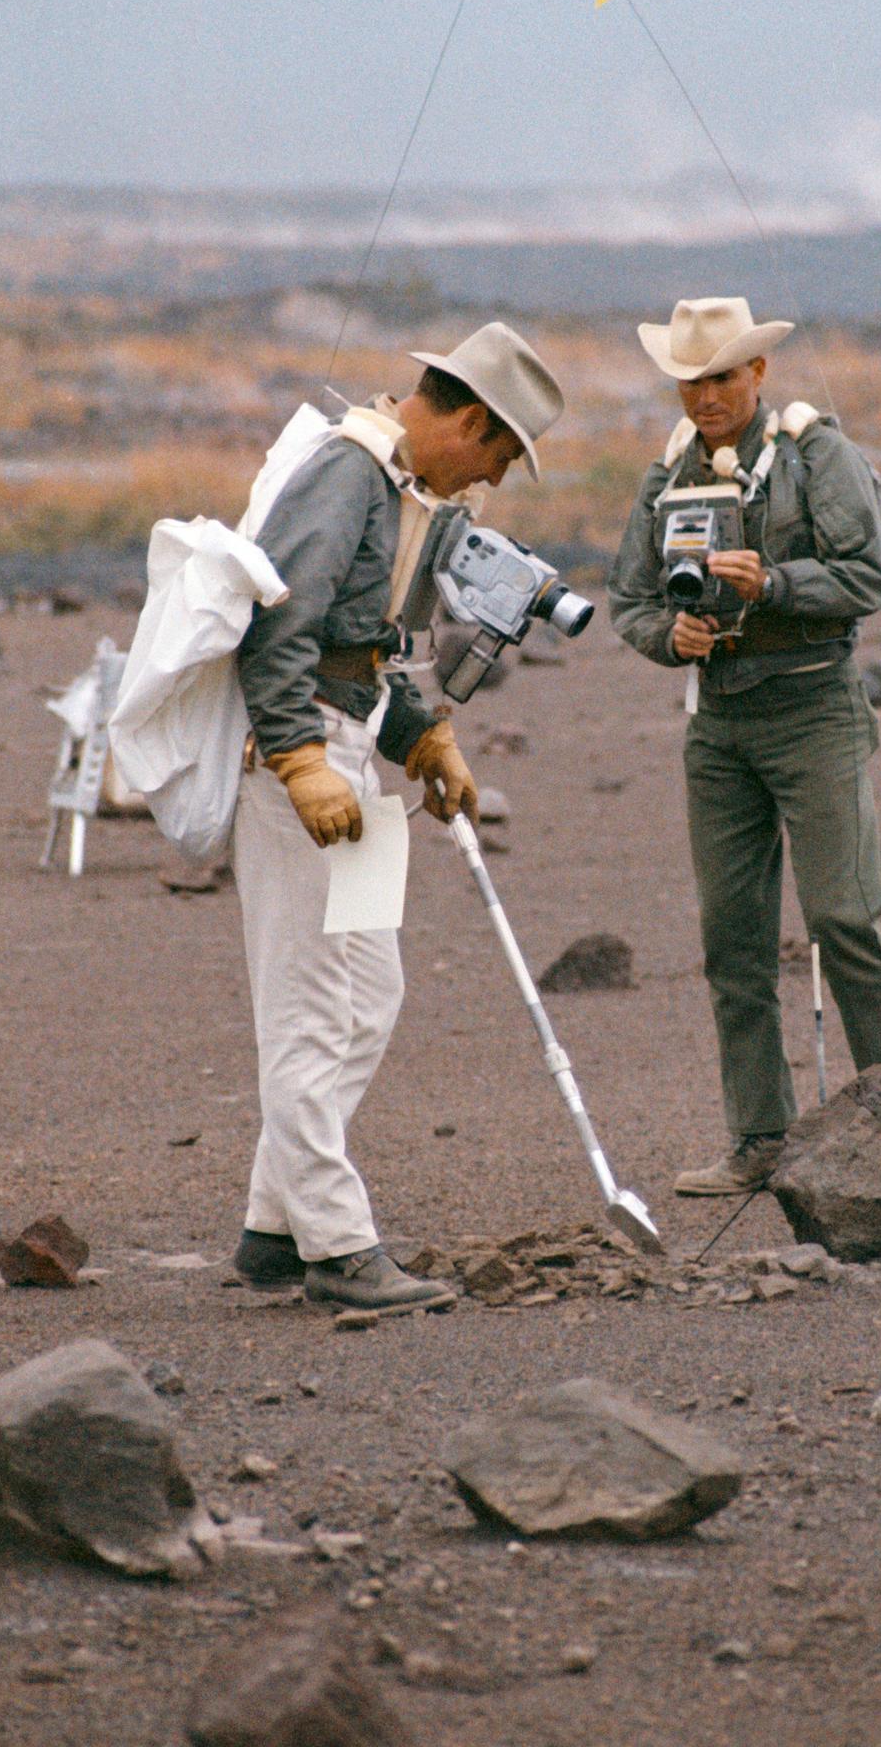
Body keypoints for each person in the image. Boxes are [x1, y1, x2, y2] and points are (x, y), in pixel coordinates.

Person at [232, 322, 564, 1305]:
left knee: (370, 994)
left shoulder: (393, 486)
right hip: (304, 764)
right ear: (468, 420)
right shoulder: (347, 474)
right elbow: (279, 626)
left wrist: (421, 735)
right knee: (310, 1010)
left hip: (352, 754)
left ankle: (274, 1225)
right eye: (499, 455)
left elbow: (362, 647)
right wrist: (297, 759)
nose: (492, 482)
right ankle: (339, 1248)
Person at [608, 297, 881, 1195]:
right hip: (717, 726)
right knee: (733, 943)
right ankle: (760, 1141)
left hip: (813, 707)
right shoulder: (665, 475)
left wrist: (776, 582)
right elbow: (629, 598)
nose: (703, 396)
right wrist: (672, 638)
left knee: (844, 920)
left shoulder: (818, 455)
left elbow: (869, 577)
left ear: (757, 373)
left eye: (719, 377)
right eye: (688, 380)